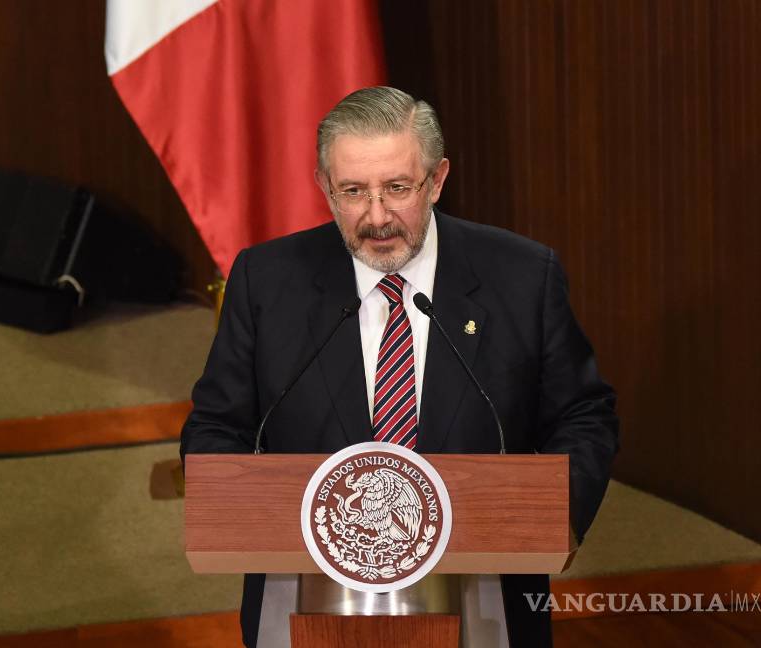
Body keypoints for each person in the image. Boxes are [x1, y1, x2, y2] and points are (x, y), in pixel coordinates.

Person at [181, 86, 618, 647]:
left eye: (397, 188)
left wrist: (561, 515)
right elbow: (216, 426)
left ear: (436, 180)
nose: (377, 217)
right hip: (302, 596)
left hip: (487, 596)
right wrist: (238, 504)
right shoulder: (266, 279)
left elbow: (583, 414)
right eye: (353, 191)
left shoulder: (522, 275)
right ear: (324, 187)